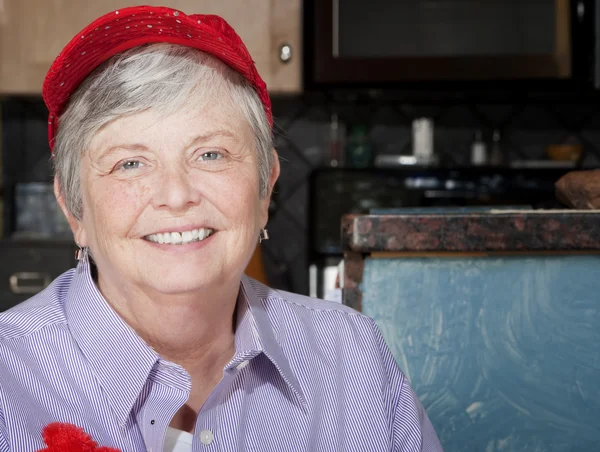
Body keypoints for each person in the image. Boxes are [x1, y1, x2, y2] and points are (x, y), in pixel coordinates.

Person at [0, 5, 442, 451]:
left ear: (266, 187)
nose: (176, 195)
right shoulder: (8, 382)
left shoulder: (353, 357)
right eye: (129, 163)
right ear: (75, 210)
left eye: (210, 154)